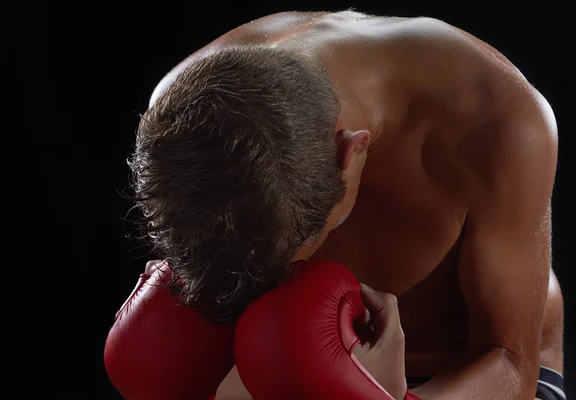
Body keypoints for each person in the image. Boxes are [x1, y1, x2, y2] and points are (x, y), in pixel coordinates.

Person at [130, 10, 564, 400]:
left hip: (461, 378)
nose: (287, 278)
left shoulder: (496, 123)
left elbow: (510, 363)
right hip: (280, 361)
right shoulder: (183, 115)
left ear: (351, 154)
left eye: (300, 250)